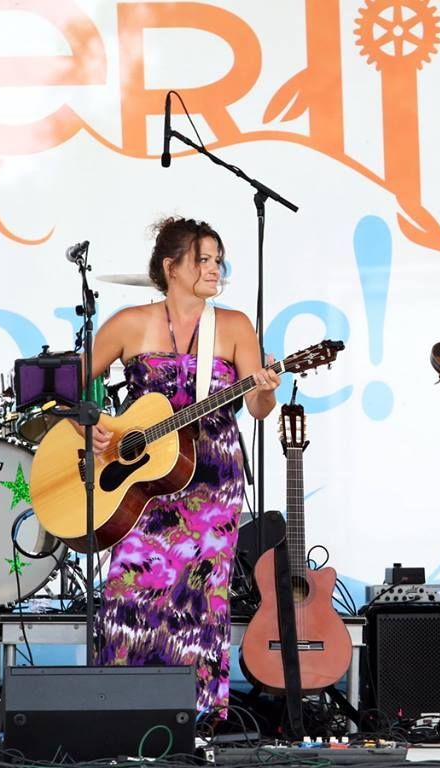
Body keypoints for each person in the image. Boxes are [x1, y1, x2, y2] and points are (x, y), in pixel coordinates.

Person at [85, 216, 281, 714]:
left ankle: (194, 716)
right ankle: (117, 709)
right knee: (130, 592)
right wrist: (94, 426)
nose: (215, 269)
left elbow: (257, 411)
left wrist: (263, 392)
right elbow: (69, 386)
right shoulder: (130, 322)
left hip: (213, 480)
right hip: (141, 481)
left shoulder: (234, 326)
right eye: (204, 259)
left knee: (201, 600)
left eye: (219, 260)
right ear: (172, 267)